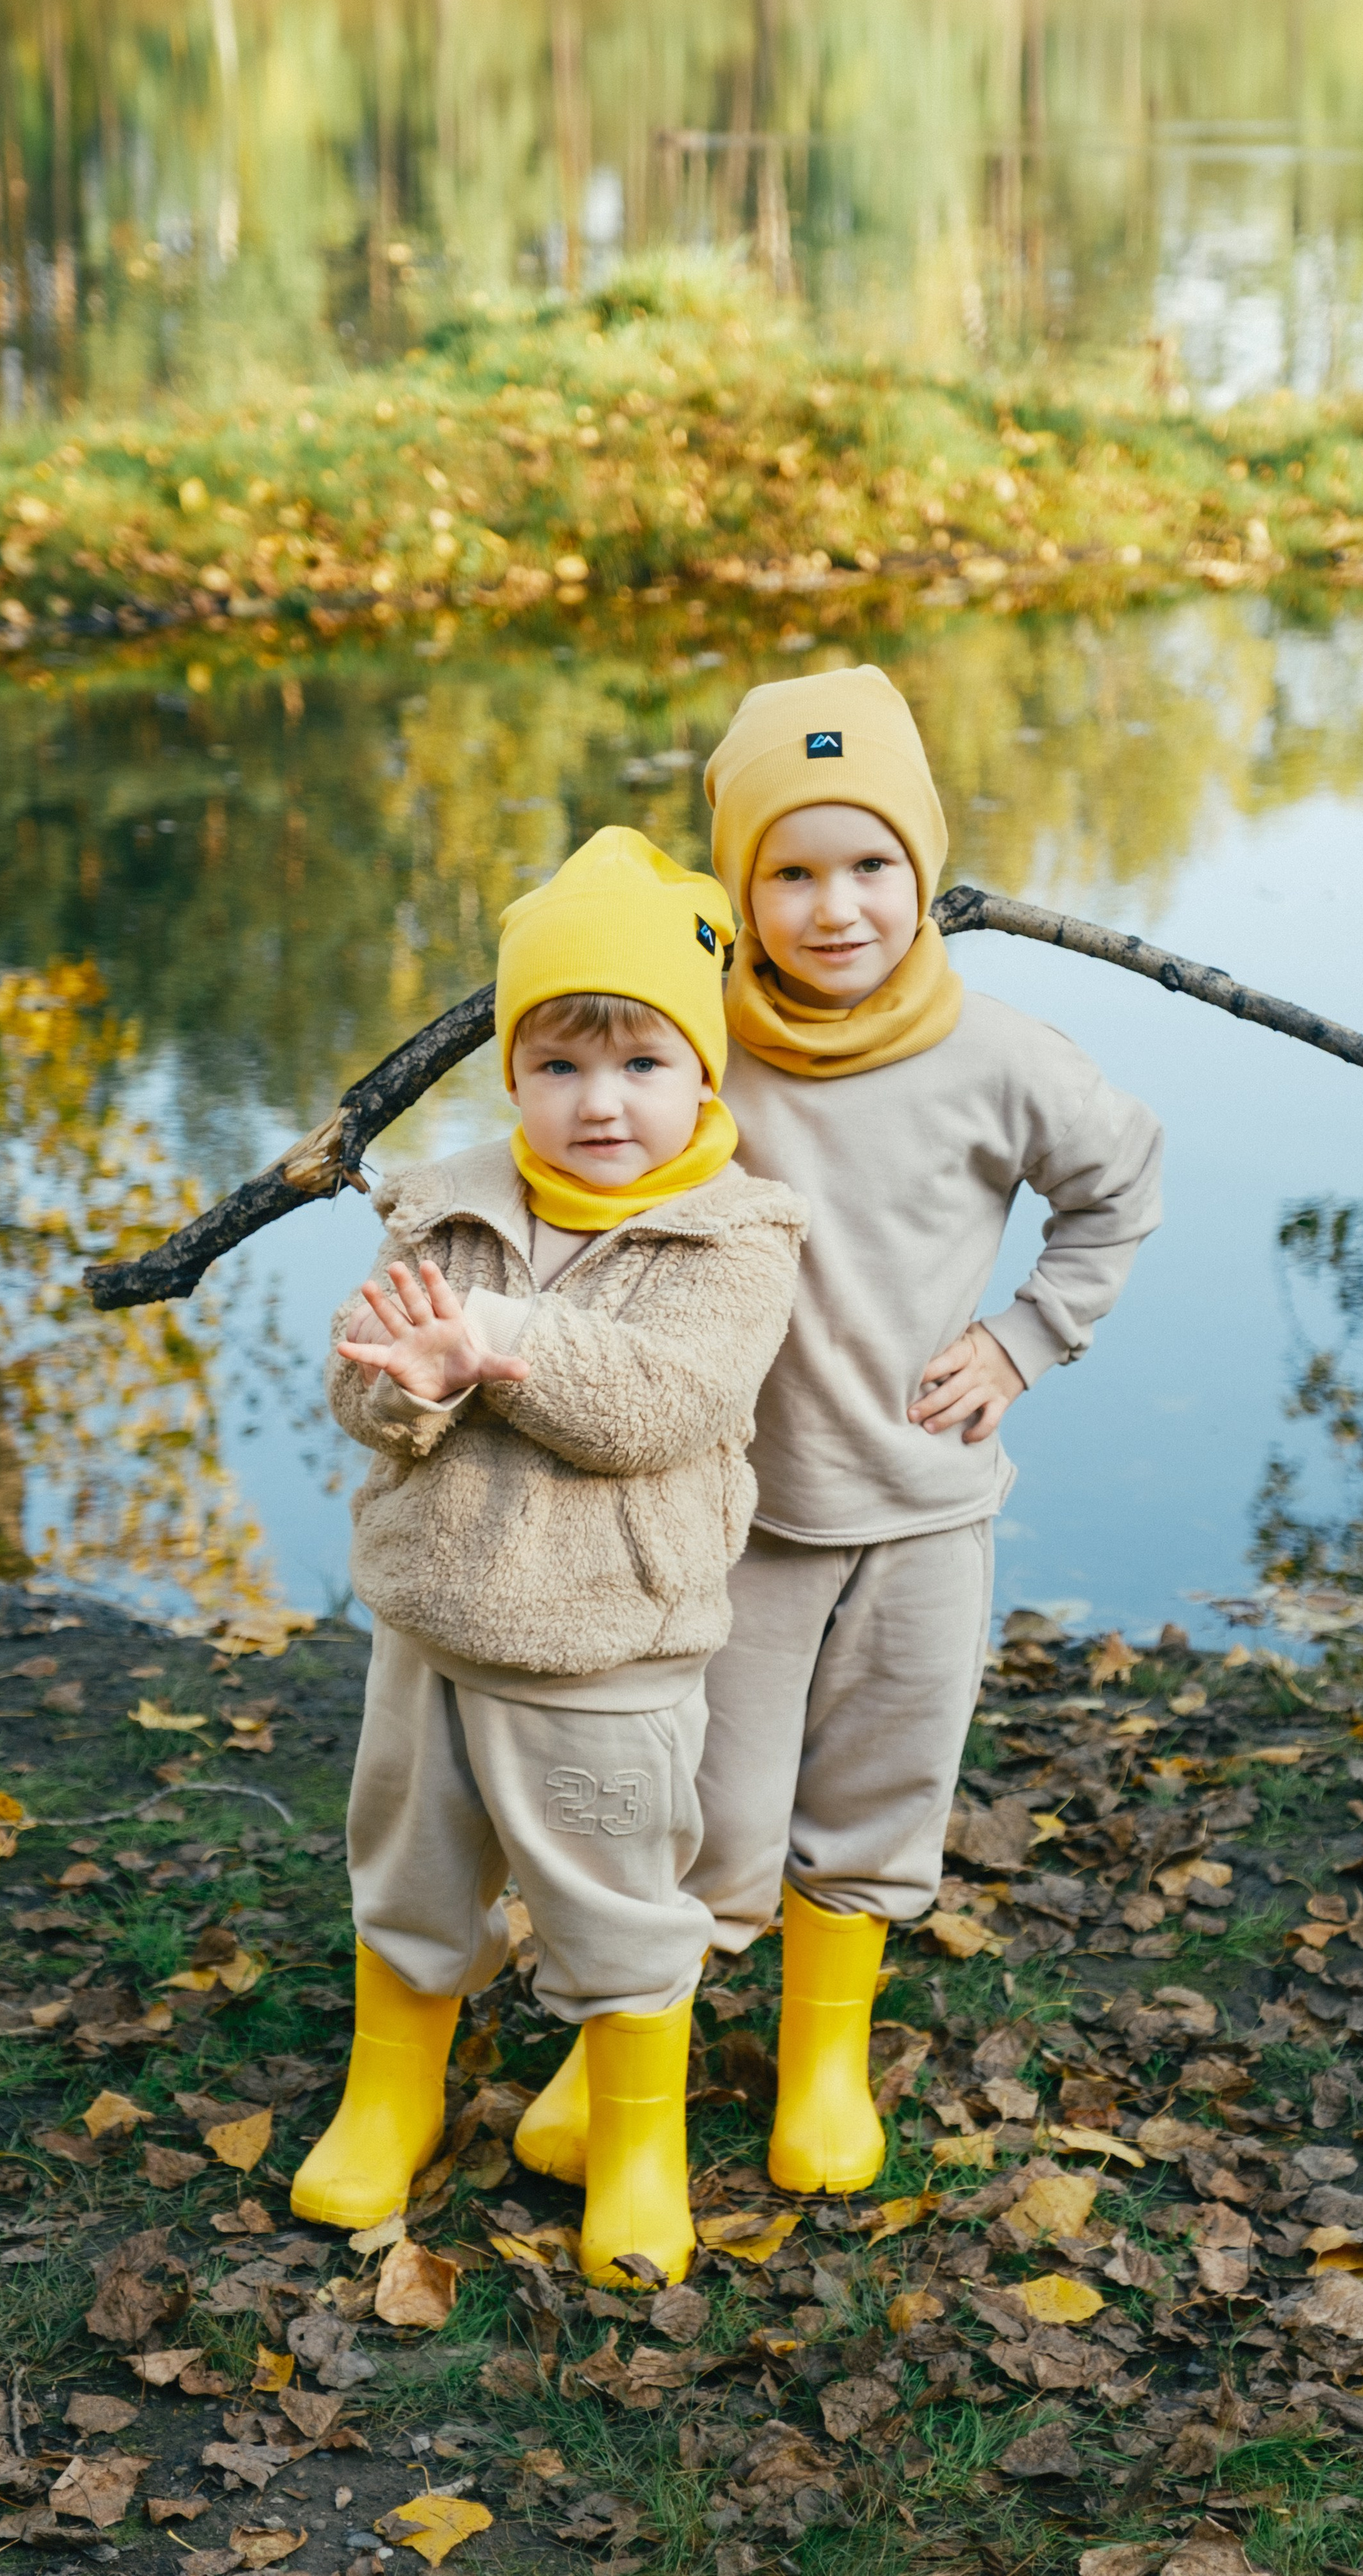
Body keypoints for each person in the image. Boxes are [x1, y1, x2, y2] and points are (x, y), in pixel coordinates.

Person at [519, 666, 1164, 2202]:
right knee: (702, 1809)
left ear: (922, 870)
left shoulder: (997, 1056)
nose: (834, 908)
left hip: (923, 1502)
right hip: (724, 1514)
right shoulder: (689, 1051)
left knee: (879, 1787)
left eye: (869, 864)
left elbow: (1116, 1187)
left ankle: (820, 2063)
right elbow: (573, 1158)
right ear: (740, 892)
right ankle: (625, 2031)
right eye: (789, 873)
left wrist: (1025, 1335)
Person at [290, 827, 806, 2286]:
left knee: (616, 1901)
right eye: (559, 1065)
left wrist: (502, 1345)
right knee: (409, 1868)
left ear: (701, 1073)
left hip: (609, 1643)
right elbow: (362, 1390)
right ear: (510, 1073)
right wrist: (410, 1383)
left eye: (641, 1065)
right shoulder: (443, 1206)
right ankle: (388, 2094)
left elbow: (667, 1407)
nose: (600, 1103)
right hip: (432, 1624)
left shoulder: (737, 1236)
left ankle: (632, 2147)